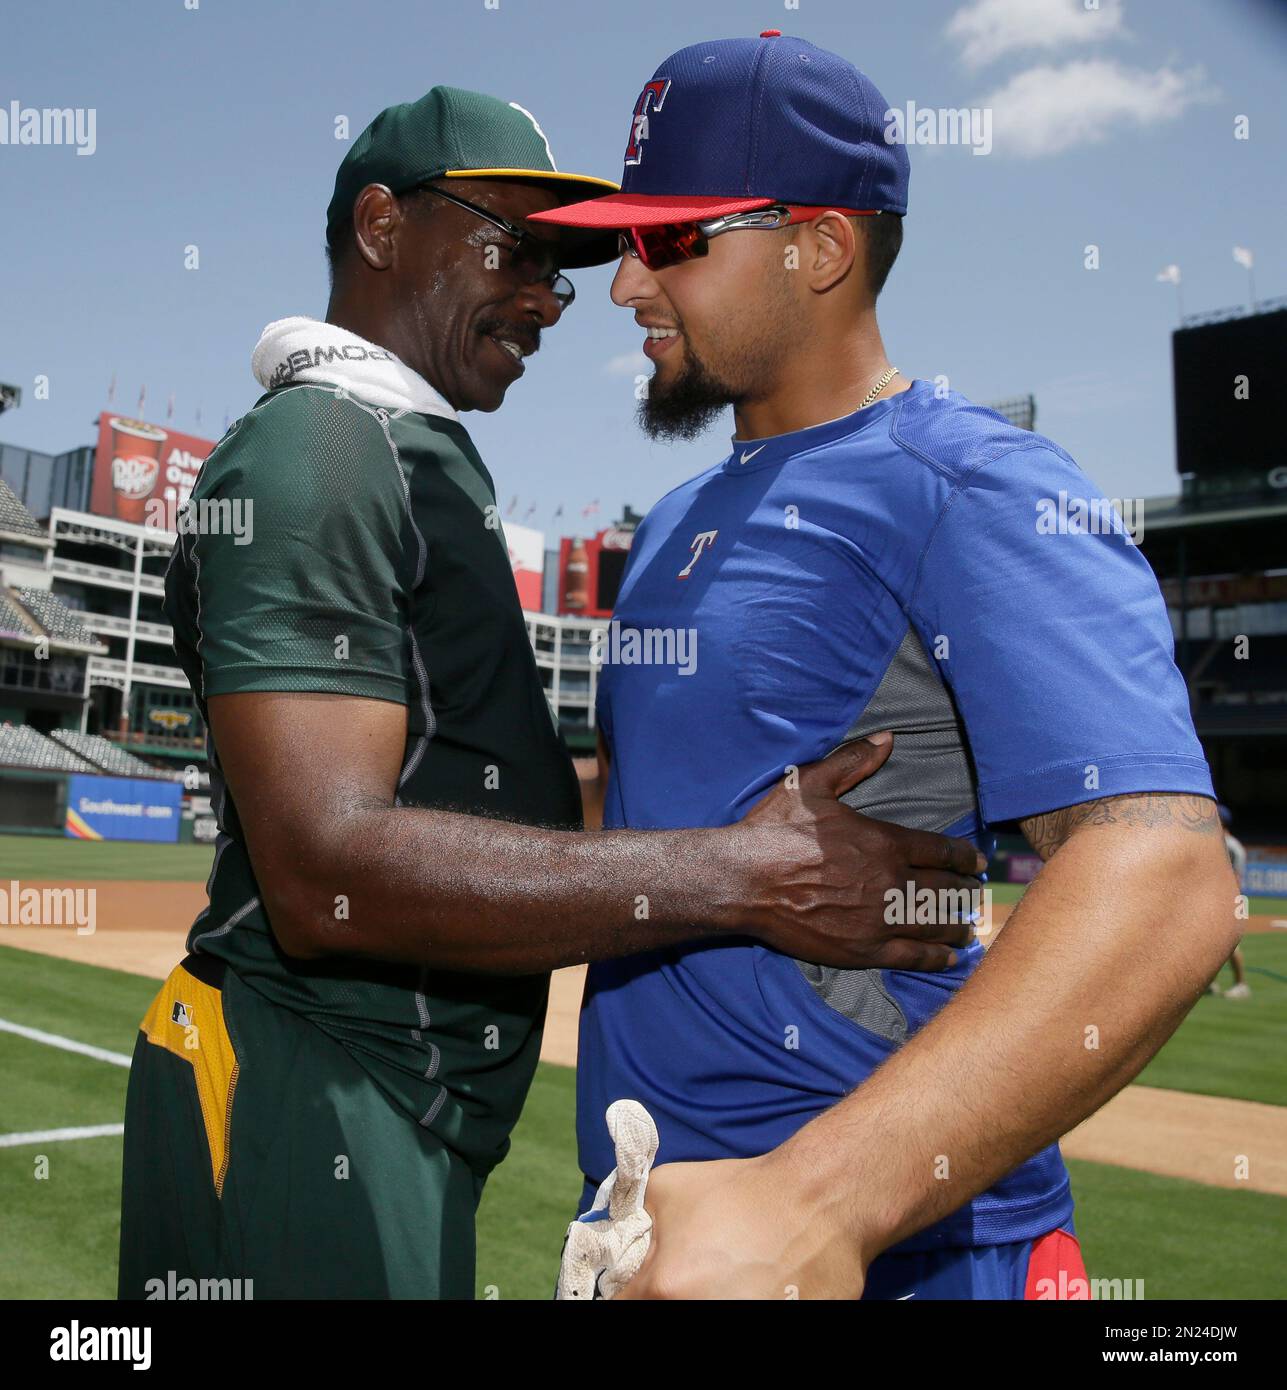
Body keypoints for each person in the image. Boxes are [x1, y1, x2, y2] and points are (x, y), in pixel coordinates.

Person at [116, 85, 984, 1300]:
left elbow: (483, 794)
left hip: (377, 1105)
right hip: (306, 1095)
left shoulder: (402, 453)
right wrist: (742, 875)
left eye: (563, 270)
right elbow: (326, 871)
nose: (548, 299)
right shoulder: (320, 448)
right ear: (380, 227)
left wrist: (733, 801)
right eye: (517, 252)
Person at [532, 32, 1242, 1300]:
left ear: (819, 246)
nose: (626, 285)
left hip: (901, 1252)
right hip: (662, 1241)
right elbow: (634, 819)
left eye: (671, 240)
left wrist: (810, 1207)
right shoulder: (678, 522)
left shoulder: (974, 484)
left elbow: (1170, 876)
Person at [1212, 805, 1250, 998]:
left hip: (1233, 899)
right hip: (1229, 898)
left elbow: (1234, 878)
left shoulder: (1230, 845)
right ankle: (1210, 983)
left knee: (1230, 945)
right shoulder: (1222, 842)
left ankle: (1241, 985)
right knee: (1211, 942)